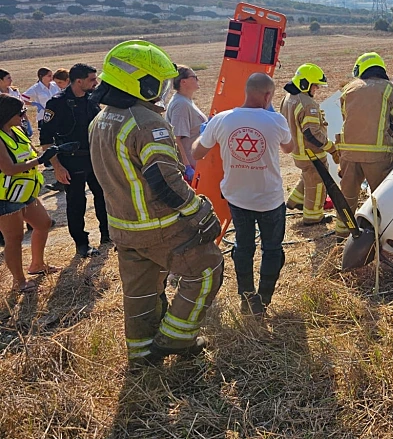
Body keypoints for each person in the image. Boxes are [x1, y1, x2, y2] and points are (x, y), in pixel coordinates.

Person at [89, 40, 223, 364]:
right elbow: (165, 182)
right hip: (159, 227)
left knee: (141, 294)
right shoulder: (146, 122)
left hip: (123, 228)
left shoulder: (100, 121)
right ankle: (176, 338)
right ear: (143, 83)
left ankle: (143, 357)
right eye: (159, 82)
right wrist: (200, 212)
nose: (162, 90)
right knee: (208, 269)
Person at [193, 73, 294, 318]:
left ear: (246, 92)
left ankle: (246, 296)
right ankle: (265, 298)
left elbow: (197, 152)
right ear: (268, 95)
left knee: (243, 246)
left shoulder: (222, 120)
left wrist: (205, 132)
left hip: (237, 199)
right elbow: (290, 148)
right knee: (272, 249)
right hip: (270, 200)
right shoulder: (276, 121)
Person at [41, 63, 110, 257]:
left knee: (103, 197)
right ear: (78, 81)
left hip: (95, 158)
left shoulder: (92, 98)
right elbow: (46, 140)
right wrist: (57, 167)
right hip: (71, 162)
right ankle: (81, 243)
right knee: (76, 203)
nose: (96, 83)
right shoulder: (57, 103)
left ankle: (107, 235)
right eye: (92, 80)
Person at [334, 53, 393, 238]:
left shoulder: (348, 90)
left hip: (348, 155)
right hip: (378, 156)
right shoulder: (391, 89)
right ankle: (382, 236)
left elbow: (346, 119)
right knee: (380, 199)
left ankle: (342, 236)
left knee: (347, 197)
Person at [0, 94, 62, 293]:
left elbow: (32, 153)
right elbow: (9, 169)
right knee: (14, 238)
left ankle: (37, 265)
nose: (25, 115)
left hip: (25, 191)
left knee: (43, 223)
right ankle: (19, 281)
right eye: (20, 112)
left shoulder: (17, 130)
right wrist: (41, 160)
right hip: (6, 197)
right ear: (6, 114)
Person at [281, 64, 338, 225]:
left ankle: (295, 201)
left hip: (298, 152)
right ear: (305, 84)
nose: (317, 89)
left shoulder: (288, 98)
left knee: (308, 177)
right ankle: (313, 217)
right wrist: (332, 148)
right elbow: (313, 134)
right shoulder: (307, 104)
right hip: (311, 154)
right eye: (315, 85)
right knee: (318, 183)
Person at [165, 65, 207, 182]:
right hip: (191, 167)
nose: (197, 79)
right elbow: (176, 138)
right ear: (183, 82)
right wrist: (187, 167)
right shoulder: (181, 105)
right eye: (194, 77)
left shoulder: (186, 101)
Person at [23, 67, 61, 132]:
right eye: (49, 76)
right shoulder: (35, 88)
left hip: (58, 115)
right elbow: (22, 99)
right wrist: (33, 103)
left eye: (52, 75)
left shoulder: (55, 85)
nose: (51, 77)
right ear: (41, 76)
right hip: (44, 117)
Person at [0, 69, 33, 137]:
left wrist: (27, 122)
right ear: (0, 80)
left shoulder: (14, 91)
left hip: (18, 120)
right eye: (8, 78)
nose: (11, 80)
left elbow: (22, 108)